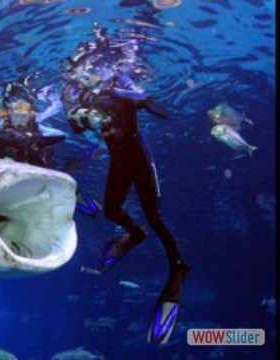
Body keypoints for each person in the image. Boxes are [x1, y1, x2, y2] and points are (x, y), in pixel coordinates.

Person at [62, 30, 190, 344]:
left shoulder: (120, 88)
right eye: (82, 73)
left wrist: (138, 96)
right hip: (119, 160)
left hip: (139, 158)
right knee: (112, 212)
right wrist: (76, 115)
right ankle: (136, 234)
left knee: (155, 215)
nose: (87, 76)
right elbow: (77, 129)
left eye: (91, 69)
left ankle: (178, 268)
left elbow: (158, 109)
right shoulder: (83, 98)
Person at [0, 78, 102, 217]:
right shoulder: (1, 125)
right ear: (9, 112)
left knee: (58, 180)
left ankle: (80, 195)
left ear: (31, 114)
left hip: (40, 166)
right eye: (16, 110)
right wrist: (3, 133)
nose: (21, 115)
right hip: (10, 167)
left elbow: (59, 134)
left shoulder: (38, 127)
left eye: (25, 111)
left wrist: (32, 138)